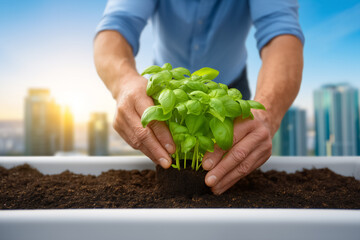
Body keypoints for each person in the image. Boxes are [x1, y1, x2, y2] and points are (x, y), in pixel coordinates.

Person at [94, 0, 304, 195]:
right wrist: (124, 83)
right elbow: (116, 24)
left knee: (234, 157)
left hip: (226, 94)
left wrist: (265, 112)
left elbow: (281, 31)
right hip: (167, 91)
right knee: (170, 146)